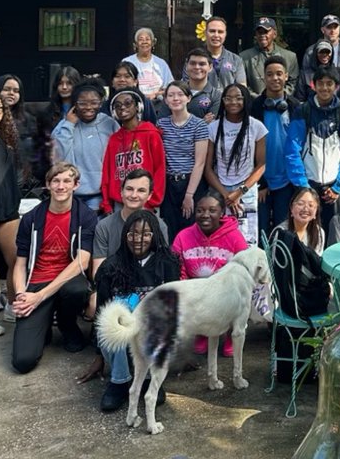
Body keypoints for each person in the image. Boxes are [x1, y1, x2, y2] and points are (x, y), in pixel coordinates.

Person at [9, 162, 97, 374]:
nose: (61, 186)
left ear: (76, 185)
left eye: (67, 181)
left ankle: (67, 325)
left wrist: (39, 297)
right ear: (48, 185)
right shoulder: (31, 219)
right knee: (23, 361)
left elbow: (82, 261)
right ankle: (44, 325)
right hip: (38, 279)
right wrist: (22, 295)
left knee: (75, 289)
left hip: (68, 279)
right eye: (55, 181)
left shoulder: (85, 216)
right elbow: (20, 264)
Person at [93, 208, 182, 412]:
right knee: (111, 323)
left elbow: (174, 305)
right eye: (132, 233)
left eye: (145, 234)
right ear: (125, 235)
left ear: (155, 236)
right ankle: (119, 381)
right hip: (122, 332)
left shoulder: (167, 263)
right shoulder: (110, 267)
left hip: (153, 329)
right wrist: (98, 355)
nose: (138, 239)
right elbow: (101, 313)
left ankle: (151, 379)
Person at [170, 188, 249, 363]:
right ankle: (202, 331)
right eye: (200, 210)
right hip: (197, 293)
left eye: (212, 210)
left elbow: (245, 272)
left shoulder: (235, 237)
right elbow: (177, 269)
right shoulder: (183, 237)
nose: (205, 215)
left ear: (222, 212)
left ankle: (230, 333)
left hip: (226, 294)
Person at [286, 65, 340, 233]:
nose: (325, 88)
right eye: (321, 83)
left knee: (334, 231)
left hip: (335, 187)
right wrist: (303, 186)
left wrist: (339, 186)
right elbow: (292, 150)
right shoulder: (303, 111)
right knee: (306, 231)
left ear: (337, 86)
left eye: (329, 83)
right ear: (313, 85)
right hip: (308, 183)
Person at [205, 82, 267, 243]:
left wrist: (240, 192)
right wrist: (227, 195)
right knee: (219, 238)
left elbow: (261, 165)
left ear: (246, 100)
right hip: (220, 190)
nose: (233, 102)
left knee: (246, 240)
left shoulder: (256, 126)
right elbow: (207, 168)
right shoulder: (213, 127)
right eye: (228, 98)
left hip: (246, 190)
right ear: (223, 101)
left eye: (239, 98)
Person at [47, 80, 114, 212]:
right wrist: (69, 125)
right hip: (70, 194)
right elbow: (58, 159)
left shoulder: (109, 124)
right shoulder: (64, 125)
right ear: (75, 104)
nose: (89, 107)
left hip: (101, 196)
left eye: (94, 102)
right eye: (82, 103)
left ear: (101, 102)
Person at [156, 81, 210, 237]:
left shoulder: (199, 125)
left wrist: (189, 195)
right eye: (171, 95)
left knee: (191, 230)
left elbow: (200, 162)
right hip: (168, 184)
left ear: (188, 98)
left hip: (191, 182)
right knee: (169, 229)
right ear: (165, 100)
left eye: (180, 94)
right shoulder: (161, 124)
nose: (175, 98)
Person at [271, 187, 332, 321]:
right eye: (300, 203)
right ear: (291, 209)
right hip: (286, 288)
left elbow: (316, 268)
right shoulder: (280, 233)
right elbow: (276, 269)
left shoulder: (319, 232)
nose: (305, 208)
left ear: (316, 212)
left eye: (311, 205)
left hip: (308, 287)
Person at [100, 89, 166, 214]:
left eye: (128, 103)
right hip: (120, 203)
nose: (122, 108)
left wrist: (152, 201)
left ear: (138, 107)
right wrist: (107, 202)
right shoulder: (114, 139)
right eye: (118, 106)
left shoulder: (151, 134)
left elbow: (160, 169)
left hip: (146, 201)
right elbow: (107, 173)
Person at [92, 168, 169, 271]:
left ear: (150, 195)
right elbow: (98, 271)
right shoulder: (104, 226)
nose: (134, 195)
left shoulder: (159, 226)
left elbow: (163, 267)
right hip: (113, 283)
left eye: (141, 190)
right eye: (129, 189)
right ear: (121, 191)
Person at [252, 57, 296, 237]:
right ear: (264, 77)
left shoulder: (295, 106)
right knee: (259, 231)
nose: (275, 78)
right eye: (269, 74)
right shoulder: (255, 106)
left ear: (286, 76)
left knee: (283, 230)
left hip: (287, 180)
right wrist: (259, 182)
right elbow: (250, 146)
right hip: (261, 181)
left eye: (279, 74)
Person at [241, 16, 298, 96]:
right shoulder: (244, 57)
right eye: (259, 32)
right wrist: (259, 99)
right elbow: (243, 85)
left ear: (274, 34)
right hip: (254, 105)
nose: (262, 35)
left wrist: (276, 97)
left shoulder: (290, 57)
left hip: (281, 104)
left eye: (266, 32)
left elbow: (293, 84)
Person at [124, 27, 175, 99]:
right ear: (135, 44)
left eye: (147, 39)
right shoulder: (127, 62)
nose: (144, 42)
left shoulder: (161, 63)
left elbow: (171, 87)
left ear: (153, 43)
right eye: (141, 39)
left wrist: (156, 95)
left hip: (158, 103)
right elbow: (123, 86)